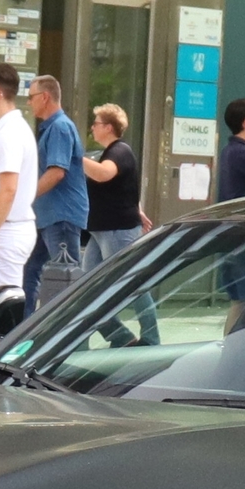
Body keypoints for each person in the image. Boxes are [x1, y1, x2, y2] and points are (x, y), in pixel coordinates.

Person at [80, 103, 158, 346]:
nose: (93, 128)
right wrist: (138, 208)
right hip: (102, 230)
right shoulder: (109, 152)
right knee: (88, 288)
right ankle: (120, 336)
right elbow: (123, 188)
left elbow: (105, 174)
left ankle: (151, 338)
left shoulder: (119, 151)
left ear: (109, 127)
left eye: (97, 124)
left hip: (117, 230)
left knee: (131, 284)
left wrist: (76, 158)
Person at [23, 74, 88, 300]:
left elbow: (57, 172)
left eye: (31, 97)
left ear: (45, 97)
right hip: (49, 216)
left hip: (61, 216)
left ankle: (117, 335)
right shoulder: (53, 127)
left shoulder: (60, 127)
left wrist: (25, 198)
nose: (28, 102)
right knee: (31, 273)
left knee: (69, 285)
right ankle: (26, 331)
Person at [0, 63, 38, 292]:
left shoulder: (8, 134)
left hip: (5, 231)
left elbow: (8, 189)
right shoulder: (15, 128)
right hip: (9, 228)